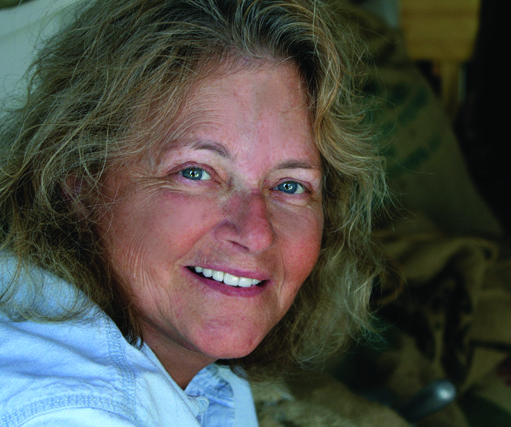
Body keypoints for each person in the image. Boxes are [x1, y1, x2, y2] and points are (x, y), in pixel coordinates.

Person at [0, 0, 386, 425]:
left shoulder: (185, 369)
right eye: (195, 173)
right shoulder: (69, 411)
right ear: (80, 182)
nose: (256, 233)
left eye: (290, 185)